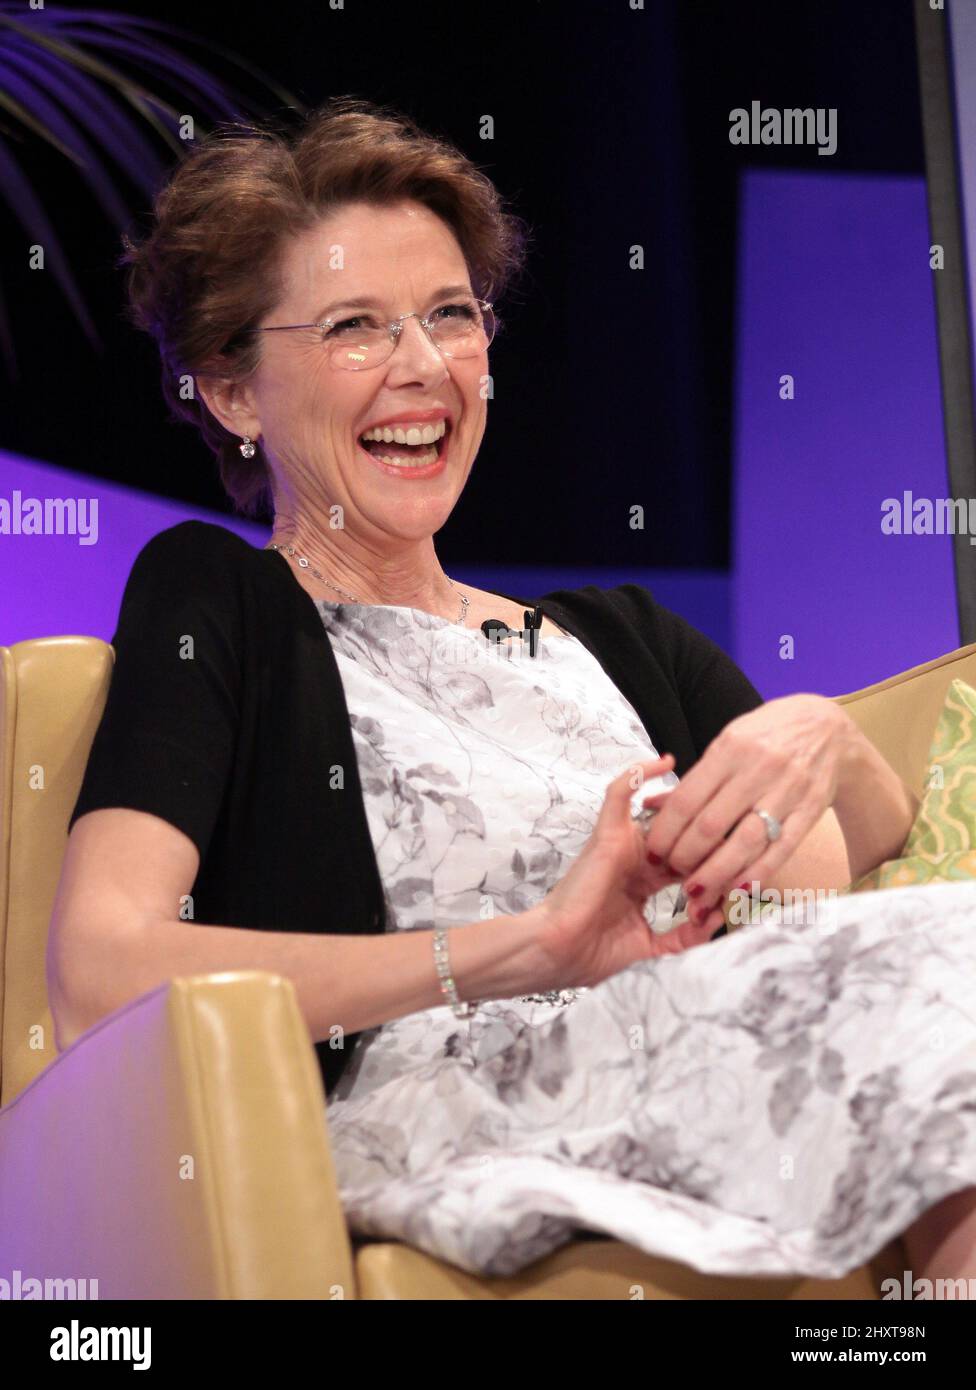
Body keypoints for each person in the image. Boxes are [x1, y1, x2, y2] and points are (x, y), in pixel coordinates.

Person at [49, 96, 976, 1284]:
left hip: (707, 1052)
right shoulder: (221, 604)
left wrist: (823, 738)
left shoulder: (620, 637)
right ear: (231, 392)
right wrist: (525, 946)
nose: (424, 367)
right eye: (354, 327)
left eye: (449, 315)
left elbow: (822, 870)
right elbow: (100, 970)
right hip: (453, 1109)